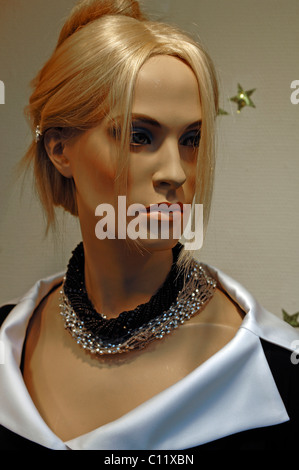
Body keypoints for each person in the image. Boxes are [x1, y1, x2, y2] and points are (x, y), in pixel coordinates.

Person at [0, 0, 298, 451]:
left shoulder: (273, 371)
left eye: (192, 140)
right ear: (60, 150)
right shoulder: (8, 344)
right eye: (140, 136)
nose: (176, 172)